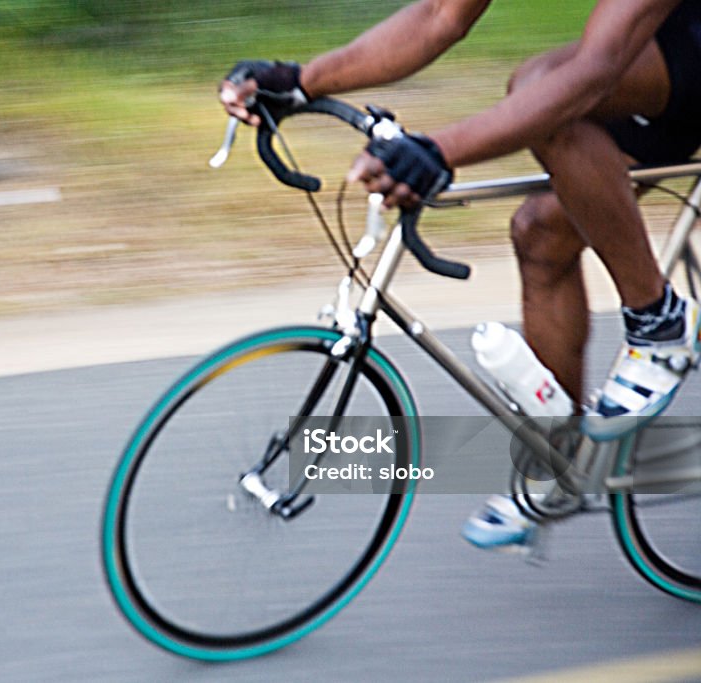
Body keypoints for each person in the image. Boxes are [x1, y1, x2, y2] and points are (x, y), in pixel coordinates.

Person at [219, 0, 701, 549]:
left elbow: (593, 73)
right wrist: (300, 82)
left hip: (664, 50)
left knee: (542, 83)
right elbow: (439, 16)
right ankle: (558, 457)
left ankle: (659, 322)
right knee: (541, 233)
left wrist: (440, 152)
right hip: (669, 59)